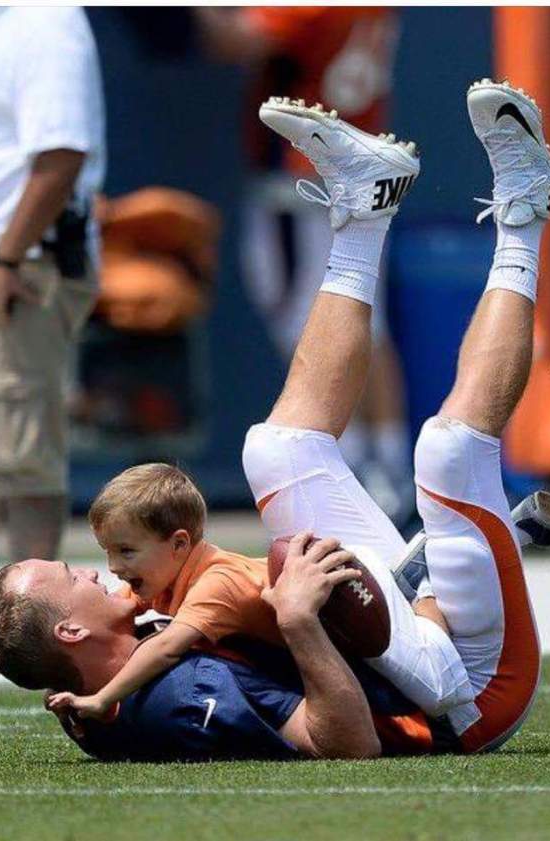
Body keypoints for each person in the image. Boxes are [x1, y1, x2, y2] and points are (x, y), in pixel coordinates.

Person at [0, 79, 550, 761]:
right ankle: (524, 208)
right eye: (76, 575)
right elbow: (349, 743)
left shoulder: (114, 665)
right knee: (445, 452)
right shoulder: (174, 699)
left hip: (386, 640)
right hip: (466, 695)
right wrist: (299, 622)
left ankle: (365, 211)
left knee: (274, 449)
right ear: (70, 633)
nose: (96, 571)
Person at [196, 7, 414, 524]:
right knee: (361, 313)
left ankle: (356, 460)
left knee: (308, 319)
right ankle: (382, 460)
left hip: (303, 177)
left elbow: (232, 41)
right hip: (351, 162)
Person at [0, 7, 105, 677]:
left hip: (18, 266)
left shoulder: (44, 19)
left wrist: (10, 256)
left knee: (19, 453)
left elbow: (62, 153)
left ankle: (27, 632)